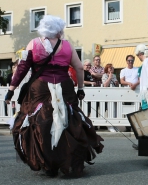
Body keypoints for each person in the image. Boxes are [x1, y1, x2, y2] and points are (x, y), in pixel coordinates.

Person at [4, 15, 104, 177]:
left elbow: (22, 68)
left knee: (38, 121)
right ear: (58, 30)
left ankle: (47, 162)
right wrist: (80, 88)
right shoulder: (66, 45)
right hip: (64, 86)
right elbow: (79, 67)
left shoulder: (34, 44)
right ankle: (69, 160)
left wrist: (11, 89)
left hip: (40, 87)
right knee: (69, 120)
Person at [120, 55, 139, 132]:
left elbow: (140, 79)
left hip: (136, 90)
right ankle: (127, 125)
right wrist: (129, 83)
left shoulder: (137, 69)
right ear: (126, 61)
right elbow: (122, 81)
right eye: (129, 60)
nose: (130, 62)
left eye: (132, 60)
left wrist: (135, 84)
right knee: (127, 109)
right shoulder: (123, 70)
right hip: (127, 91)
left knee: (136, 109)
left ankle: (136, 125)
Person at [102, 63, 119, 132]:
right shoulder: (104, 75)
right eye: (110, 68)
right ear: (107, 69)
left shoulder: (114, 75)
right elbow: (105, 85)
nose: (111, 69)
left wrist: (117, 83)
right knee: (110, 110)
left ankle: (114, 125)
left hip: (114, 94)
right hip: (107, 95)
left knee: (115, 110)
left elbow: (117, 85)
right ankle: (110, 126)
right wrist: (109, 77)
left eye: (112, 68)